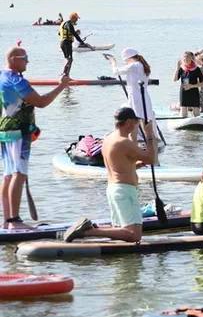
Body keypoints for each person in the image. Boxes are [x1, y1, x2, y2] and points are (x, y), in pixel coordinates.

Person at [63, 106, 158, 243]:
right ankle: (88, 231)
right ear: (129, 122)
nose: (137, 125)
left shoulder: (108, 139)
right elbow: (151, 159)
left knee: (121, 230)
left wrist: (137, 164)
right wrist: (149, 135)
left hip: (114, 189)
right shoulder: (123, 142)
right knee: (134, 235)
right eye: (136, 122)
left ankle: (92, 230)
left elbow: (120, 166)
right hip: (125, 191)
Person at [1, 47, 68, 228]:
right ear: (14, 59)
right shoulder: (16, 80)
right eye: (25, 58)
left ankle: (7, 221)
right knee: (19, 173)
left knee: (8, 174)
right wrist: (61, 86)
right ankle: (14, 221)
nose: (27, 62)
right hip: (18, 133)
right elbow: (41, 102)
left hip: (5, 131)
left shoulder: (1, 76)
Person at [108, 48, 160, 143]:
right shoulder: (141, 65)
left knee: (138, 121)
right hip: (142, 95)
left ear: (128, 58)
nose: (125, 63)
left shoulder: (134, 66)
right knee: (139, 120)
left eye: (125, 61)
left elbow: (116, 71)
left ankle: (138, 143)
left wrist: (113, 62)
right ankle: (140, 142)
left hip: (136, 97)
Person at [173, 51, 203, 118]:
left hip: (194, 91)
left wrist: (192, 86)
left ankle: (197, 124)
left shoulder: (197, 69)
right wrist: (177, 68)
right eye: (184, 57)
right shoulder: (181, 68)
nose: (185, 58)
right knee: (183, 114)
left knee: (196, 113)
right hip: (184, 92)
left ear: (191, 58)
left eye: (187, 57)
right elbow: (175, 79)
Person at [58, 12, 86, 78]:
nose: (77, 20)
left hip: (63, 43)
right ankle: (65, 75)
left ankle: (66, 75)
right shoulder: (69, 24)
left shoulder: (64, 23)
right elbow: (74, 34)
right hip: (66, 43)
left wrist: (69, 34)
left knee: (68, 59)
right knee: (69, 59)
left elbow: (59, 33)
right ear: (73, 18)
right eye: (76, 19)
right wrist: (82, 42)